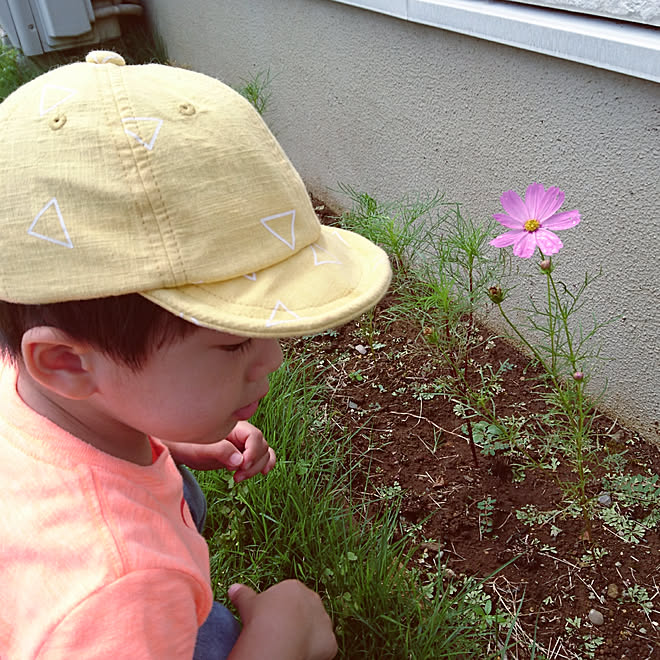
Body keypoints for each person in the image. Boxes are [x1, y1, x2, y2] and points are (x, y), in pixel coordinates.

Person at [0, 51, 391, 659]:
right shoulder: (118, 583)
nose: (273, 361)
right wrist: (283, 632)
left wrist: (167, 440)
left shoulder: (27, 385)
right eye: (232, 341)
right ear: (68, 364)